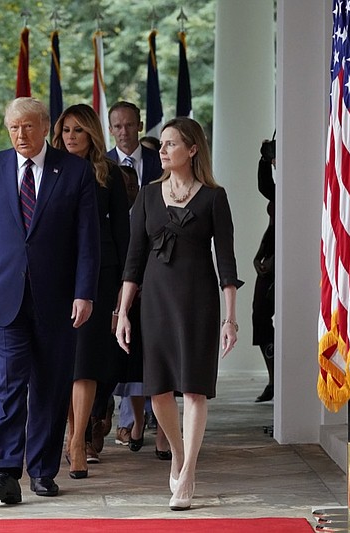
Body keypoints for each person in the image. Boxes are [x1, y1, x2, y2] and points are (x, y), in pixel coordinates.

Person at [0, 97, 100, 504]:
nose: (20, 135)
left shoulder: (74, 172)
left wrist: (84, 292)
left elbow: (87, 241)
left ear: (44, 126)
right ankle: (5, 472)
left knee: (50, 388)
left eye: (28, 127)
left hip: (58, 300)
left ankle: (42, 470)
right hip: (2, 296)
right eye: (13, 128)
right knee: (9, 384)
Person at [115, 117, 243, 511]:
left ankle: (188, 472)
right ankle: (177, 452)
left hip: (198, 302)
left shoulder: (213, 198)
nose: (164, 150)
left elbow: (226, 262)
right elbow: (133, 260)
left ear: (192, 150)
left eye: (172, 144)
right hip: (155, 303)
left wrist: (230, 318)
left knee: (194, 388)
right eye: (163, 144)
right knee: (158, 390)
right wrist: (122, 312)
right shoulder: (148, 197)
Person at [51, 104, 130, 477]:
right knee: (63, 361)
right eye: (65, 130)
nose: (70, 137)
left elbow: (122, 234)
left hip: (100, 276)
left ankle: (78, 440)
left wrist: (125, 286)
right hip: (56, 276)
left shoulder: (109, 174)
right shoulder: (48, 169)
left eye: (78, 131)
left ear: (92, 135)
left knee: (86, 361)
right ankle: (73, 433)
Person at [105, 102, 168, 458]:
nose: (125, 131)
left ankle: (150, 415)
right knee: (124, 340)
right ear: (110, 128)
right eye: (118, 126)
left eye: (130, 125)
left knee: (150, 338)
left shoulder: (160, 161)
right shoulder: (102, 165)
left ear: (140, 125)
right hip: (118, 261)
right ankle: (130, 415)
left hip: (157, 259)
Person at [252, 138, 276, 402]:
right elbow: (265, 186)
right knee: (259, 317)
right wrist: (262, 161)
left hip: (280, 262)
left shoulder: (297, 187)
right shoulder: (280, 190)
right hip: (268, 261)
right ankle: (273, 379)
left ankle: (280, 380)